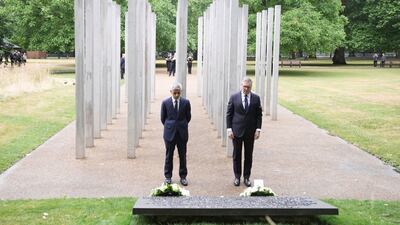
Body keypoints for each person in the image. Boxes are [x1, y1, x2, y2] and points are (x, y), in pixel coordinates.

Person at [226, 77, 262, 187]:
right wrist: (229, 129)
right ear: (241, 86)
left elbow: (258, 115)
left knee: (248, 155)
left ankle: (246, 177)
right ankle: (237, 177)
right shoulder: (234, 97)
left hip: (250, 132)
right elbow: (229, 114)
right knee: (236, 155)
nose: (246, 89)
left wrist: (258, 130)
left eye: (248, 87)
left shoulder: (256, 98)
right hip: (236, 131)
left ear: (251, 87)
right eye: (244, 86)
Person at [161, 82, 191, 186]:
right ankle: (168, 177)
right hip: (169, 133)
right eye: (175, 93)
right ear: (171, 92)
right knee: (169, 155)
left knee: (182, 155)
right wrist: (170, 126)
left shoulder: (186, 103)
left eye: (178, 93)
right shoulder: (165, 103)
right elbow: (163, 118)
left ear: (180, 92)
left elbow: (188, 117)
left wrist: (181, 125)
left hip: (182, 133)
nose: (177, 95)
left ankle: (183, 177)